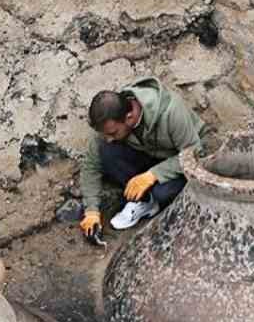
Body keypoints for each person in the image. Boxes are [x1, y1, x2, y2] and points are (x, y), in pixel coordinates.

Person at [78, 77, 208, 237]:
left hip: (181, 158)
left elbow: (194, 153)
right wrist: (91, 211)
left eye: (113, 133)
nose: (109, 137)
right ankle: (143, 200)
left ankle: (155, 199)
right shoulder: (110, 120)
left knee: (163, 193)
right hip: (150, 155)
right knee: (105, 148)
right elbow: (90, 166)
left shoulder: (171, 111)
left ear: (129, 117)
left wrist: (154, 175)